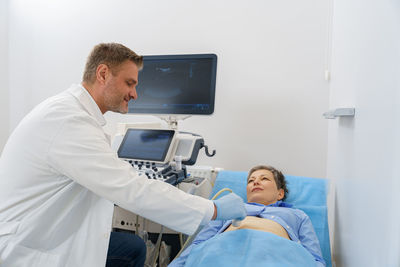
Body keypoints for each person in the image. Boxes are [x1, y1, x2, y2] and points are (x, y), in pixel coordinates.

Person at [0, 43, 246, 267]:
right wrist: (212, 210)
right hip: (28, 248)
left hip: (47, 230)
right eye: (130, 83)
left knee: (132, 247)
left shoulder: (76, 115)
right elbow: (132, 188)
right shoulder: (69, 121)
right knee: (131, 247)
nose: (135, 94)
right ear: (103, 74)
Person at [169, 165, 326, 267]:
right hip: (221, 252)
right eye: (251, 181)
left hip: (277, 254)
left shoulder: (297, 215)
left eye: (264, 179)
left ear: (280, 193)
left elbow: (315, 258)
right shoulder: (227, 209)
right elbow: (200, 244)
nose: (256, 182)